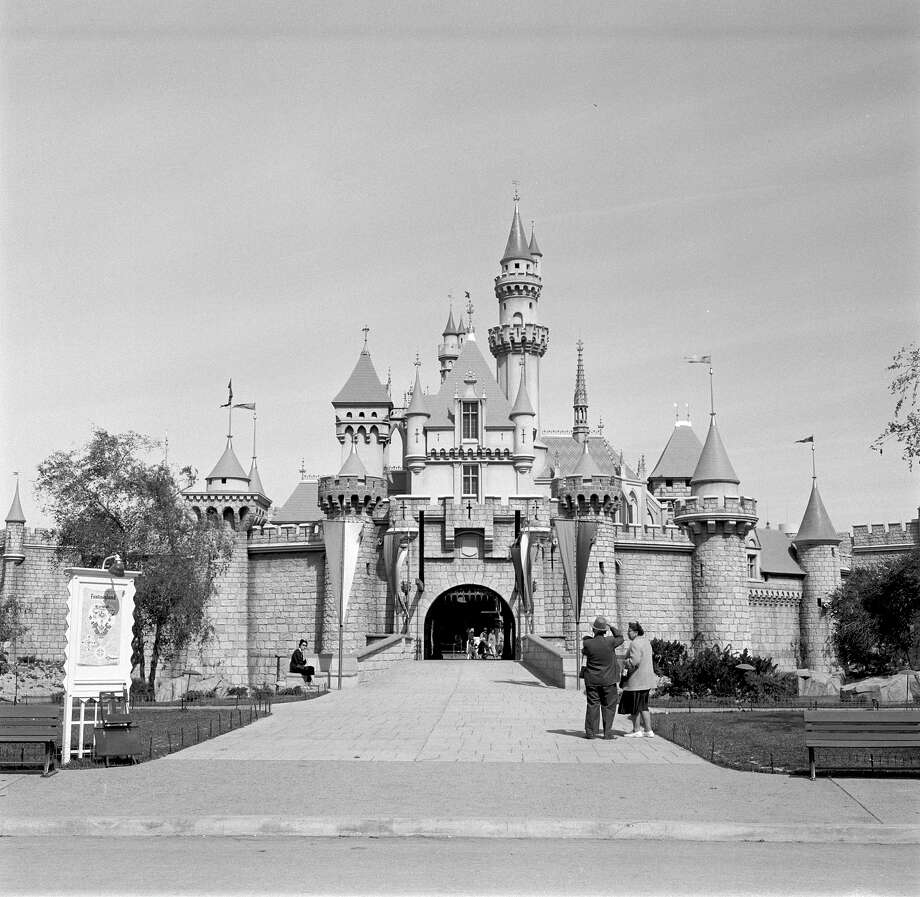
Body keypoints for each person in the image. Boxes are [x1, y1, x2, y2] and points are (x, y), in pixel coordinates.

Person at [580, 615, 624, 740]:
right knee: (609, 706)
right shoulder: (610, 641)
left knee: (593, 704)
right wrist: (611, 626)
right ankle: (607, 733)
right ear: (604, 631)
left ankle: (590, 732)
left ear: (594, 630)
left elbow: (585, 649)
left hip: (592, 680)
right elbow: (620, 637)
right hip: (608, 680)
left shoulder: (587, 643)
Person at [620, 621, 656, 737]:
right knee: (643, 706)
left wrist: (625, 661)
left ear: (635, 632)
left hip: (636, 680)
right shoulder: (646, 642)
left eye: (629, 631)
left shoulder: (635, 643)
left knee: (634, 705)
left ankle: (636, 730)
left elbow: (634, 661)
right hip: (646, 680)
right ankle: (648, 730)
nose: (627, 634)